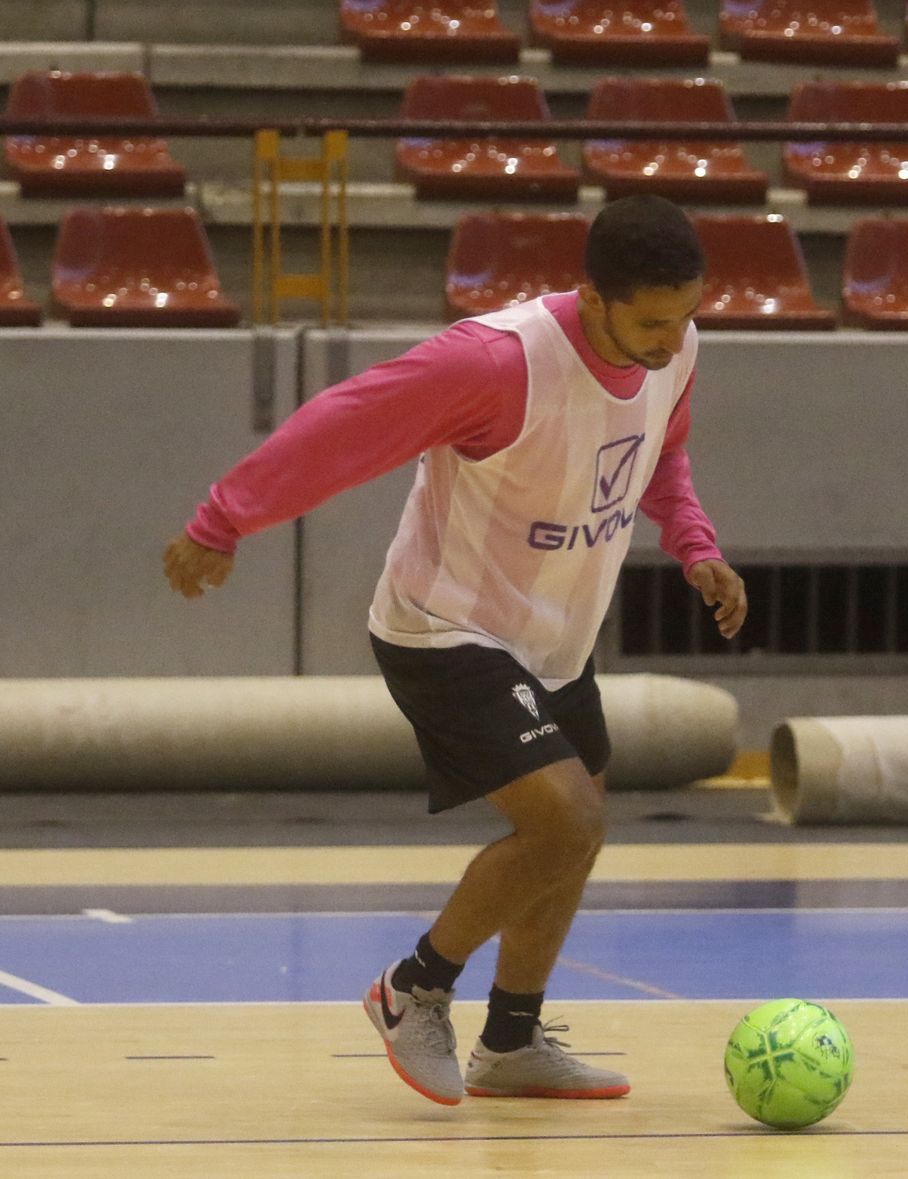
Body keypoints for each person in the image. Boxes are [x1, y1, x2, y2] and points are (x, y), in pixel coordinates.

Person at [163, 195, 748, 1105]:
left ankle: (511, 1041)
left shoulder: (676, 347)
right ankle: (415, 988)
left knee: (575, 830)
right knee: (568, 819)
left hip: (555, 637)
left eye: (684, 316)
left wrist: (697, 545)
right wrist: (224, 517)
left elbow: (657, 455)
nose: (673, 340)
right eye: (652, 321)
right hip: (446, 626)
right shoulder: (497, 362)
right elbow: (348, 425)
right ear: (594, 298)